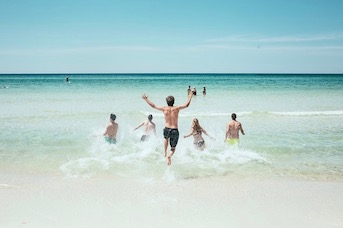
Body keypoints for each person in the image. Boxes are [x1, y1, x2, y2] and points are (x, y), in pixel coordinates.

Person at [142, 93, 192, 165]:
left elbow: (153, 106)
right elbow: (186, 105)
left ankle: (165, 152)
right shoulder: (177, 108)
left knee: (166, 138)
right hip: (174, 129)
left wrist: (146, 99)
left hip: (167, 129)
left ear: (167, 102)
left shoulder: (164, 108)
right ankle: (169, 155)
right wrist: (190, 97)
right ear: (173, 102)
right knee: (173, 148)